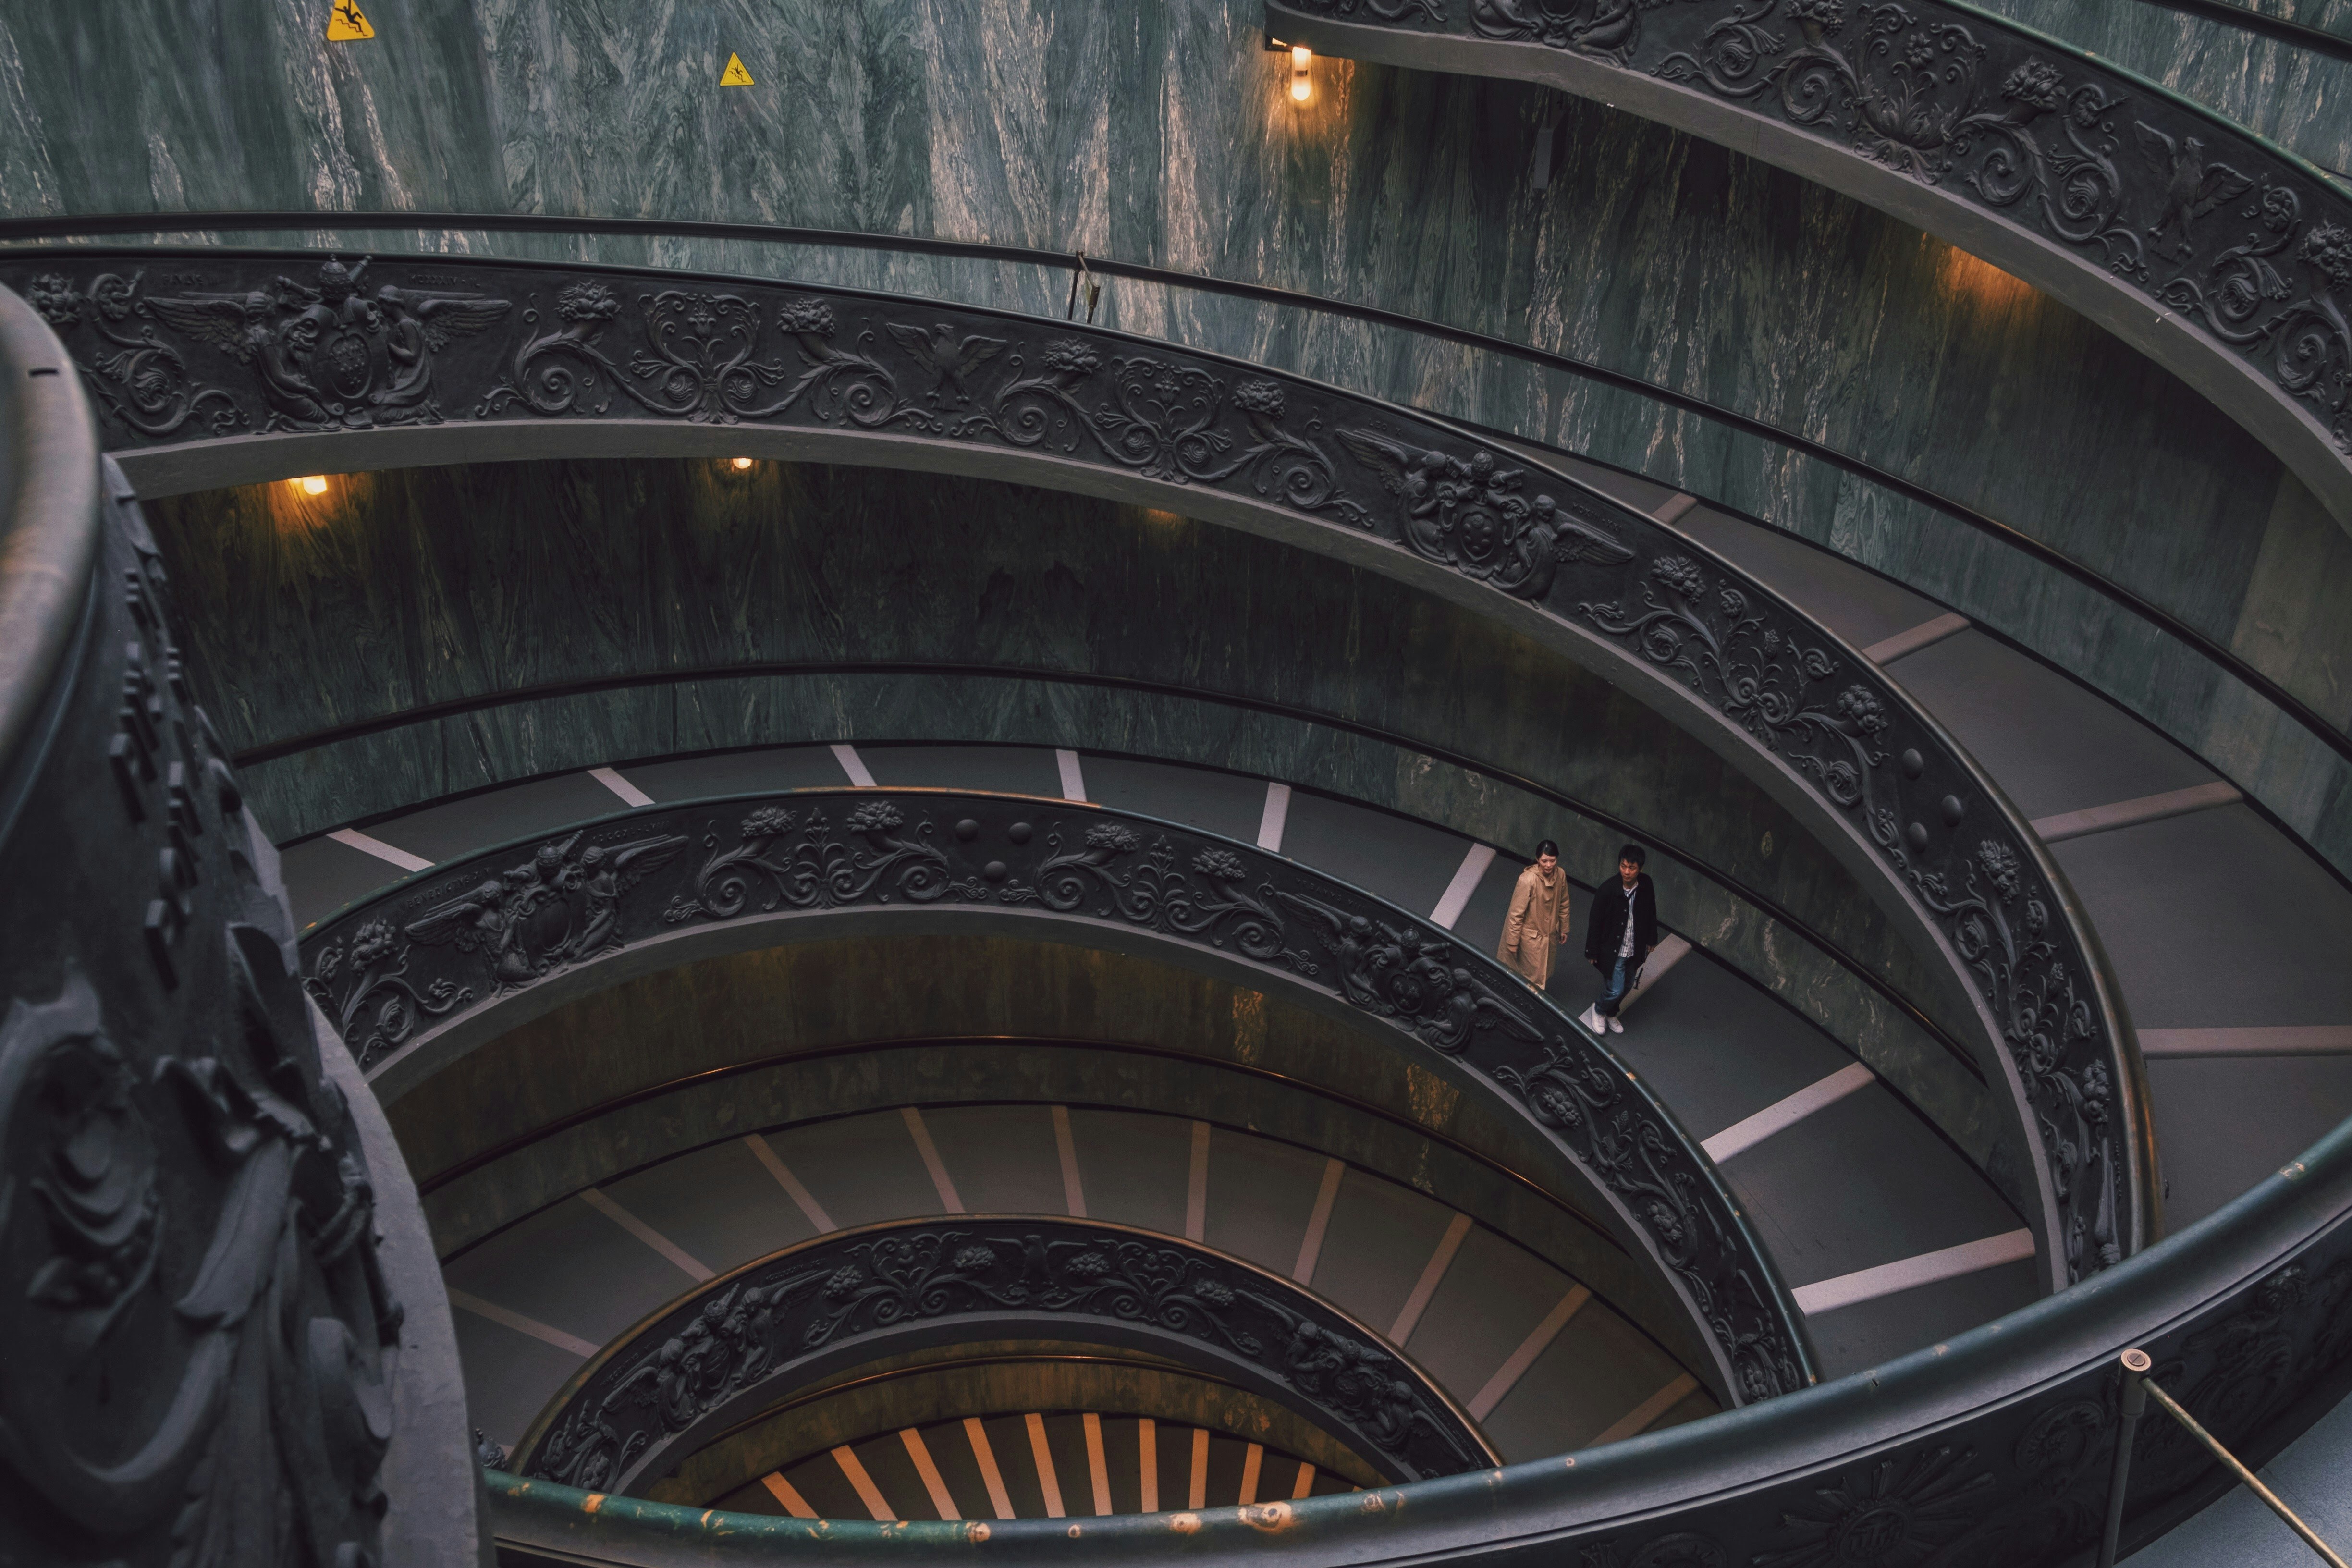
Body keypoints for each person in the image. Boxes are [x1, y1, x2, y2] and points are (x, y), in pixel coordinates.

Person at [1580, 843, 1657, 1034]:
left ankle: (1610, 1012)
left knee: (1628, 985)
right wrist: (1592, 950)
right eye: (1623, 866)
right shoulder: (1608, 889)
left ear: (1640, 869)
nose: (1627, 872)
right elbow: (1595, 920)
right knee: (1615, 989)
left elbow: (1651, 912)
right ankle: (1598, 1009)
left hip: (1635, 946)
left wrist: (1652, 939)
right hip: (1615, 949)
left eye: (1632, 868)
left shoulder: (1646, 885)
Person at [1497, 839, 1570, 990]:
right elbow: (1516, 914)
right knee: (1526, 976)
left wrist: (1564, 927)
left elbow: (1564, 902)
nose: (1549, 865)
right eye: (1544, 861)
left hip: (1549, 934)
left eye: (1552, 860)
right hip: (1530, 938)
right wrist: (1512, 942)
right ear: (1538, 859)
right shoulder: (1528, 880)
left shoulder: (1560, 874)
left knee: (1540, 974)